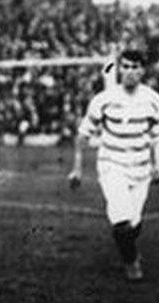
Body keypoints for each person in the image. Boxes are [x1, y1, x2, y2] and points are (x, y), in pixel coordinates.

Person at [68, 49, 159, 282]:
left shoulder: (152, 99)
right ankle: (131, 264)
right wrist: (77, 167)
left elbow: (157, 136)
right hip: (112, 165)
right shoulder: (104, 99)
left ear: (143, 70)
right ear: (119, 69)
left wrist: (157, 163)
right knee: (121, 222)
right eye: (125, 66)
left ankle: (129, 248)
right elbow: (82, 135)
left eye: (135, 67)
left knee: (134, 225)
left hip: (140, 169)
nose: (130, 72)